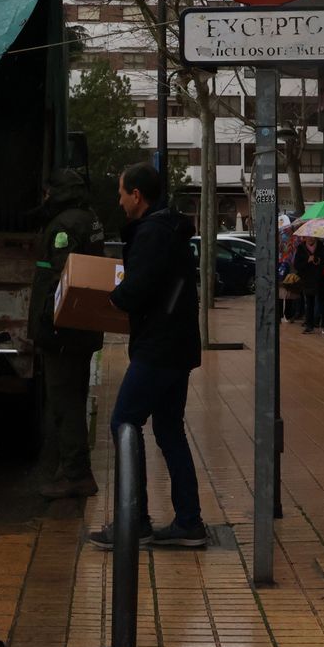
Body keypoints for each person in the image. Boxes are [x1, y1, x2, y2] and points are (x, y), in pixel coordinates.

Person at [90, 163, 206, 550]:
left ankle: (134, 520)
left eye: (122, 193)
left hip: (158, 346)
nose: (119, 201)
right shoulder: (169, 229)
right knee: (169, 429)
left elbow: (137, 288)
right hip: (176, 345)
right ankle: (188, 522)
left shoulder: (152, 234)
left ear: (137, 195)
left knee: (124, 422)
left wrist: (111, 297)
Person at [28, 169, 106, 500]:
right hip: (83, 326)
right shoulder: (89, 218)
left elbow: (63, 278)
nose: (45, 198)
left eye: (48, 193)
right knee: (73, 394)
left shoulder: (64, 225)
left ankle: (76, 474)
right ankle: (70, 468)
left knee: (65, 402)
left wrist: (50, 322)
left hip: (63, 330)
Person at [294, 236, 324, 334]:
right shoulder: (301, 248)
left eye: (313, 237)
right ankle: (309, 325)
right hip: (307, 280)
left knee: (321, 303)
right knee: (309, 303)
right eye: (308, 237)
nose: (310, 239)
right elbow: (297, 265)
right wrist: (307, 261)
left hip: (320, 280)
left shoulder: (322, 247)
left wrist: (318, 260)